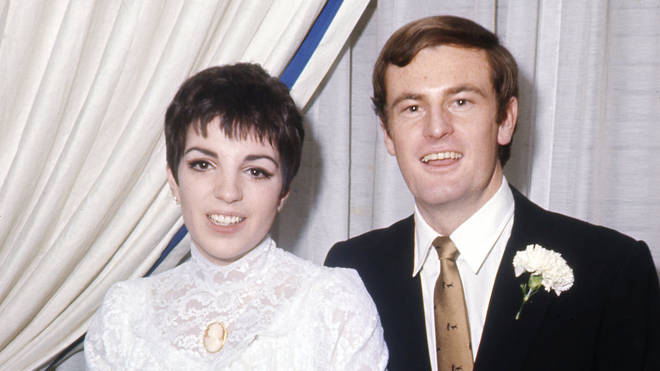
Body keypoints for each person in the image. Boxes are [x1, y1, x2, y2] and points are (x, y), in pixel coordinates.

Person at [325, 15, 660, 371]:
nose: (436, 128)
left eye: (461, 102)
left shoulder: (611, 270)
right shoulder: (352, 270)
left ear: (505, 120)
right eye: (412, 108)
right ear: (388, 134)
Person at [85, 63, 388, 370]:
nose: (228, 192)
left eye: (256, 171)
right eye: (203, 164)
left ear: (283, 193)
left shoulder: (332, 303)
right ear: (174, 181)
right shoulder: (123, 314)